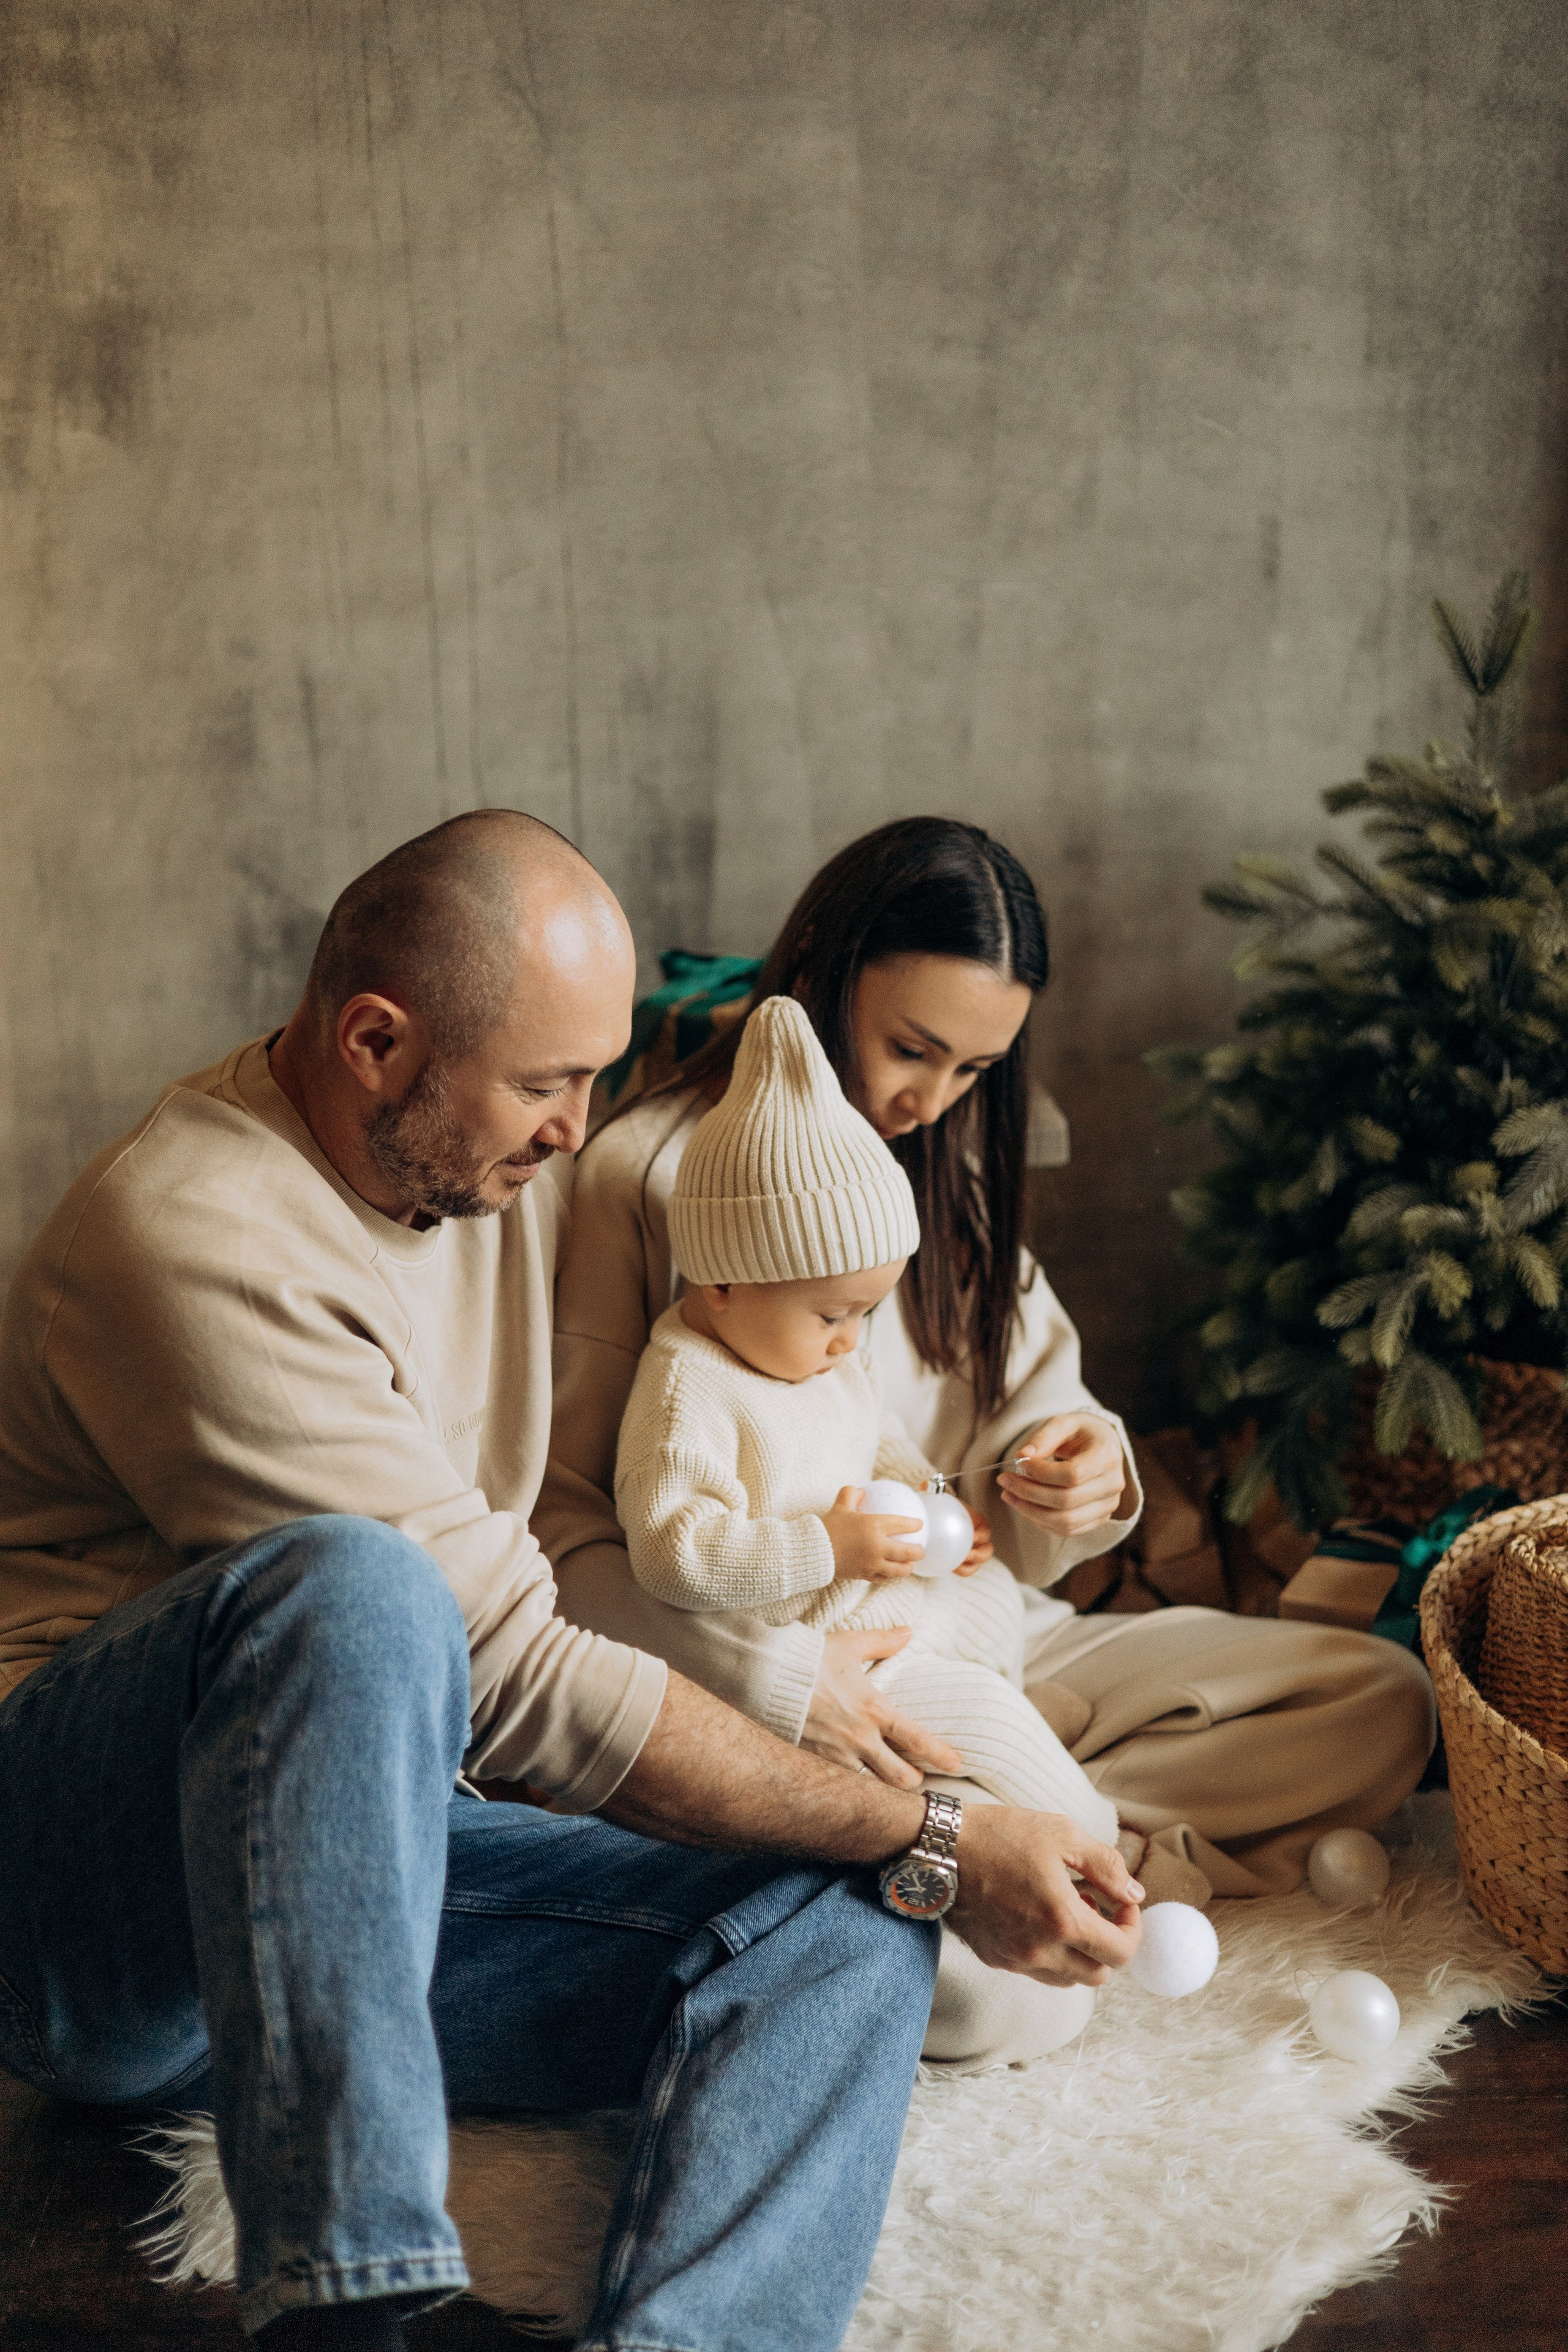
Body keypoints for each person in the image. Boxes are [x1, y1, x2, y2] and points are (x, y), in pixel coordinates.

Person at [0, 811, 1145, 2352]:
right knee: (361, 1591)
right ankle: (353, 2308)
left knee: (858, 1901)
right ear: (374, 1040)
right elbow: (515, 1675)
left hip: (377, 1873)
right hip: (95, 1918)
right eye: (547, 1084)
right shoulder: (194, 1232)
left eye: (596, 1077)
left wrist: (915, 1837)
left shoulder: (482, 1169)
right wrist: (942, 1816)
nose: (573, 1131)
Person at [538, 817, 1438, 2019]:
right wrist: (775, 1674)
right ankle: (1040, 1840)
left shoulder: (940, 1171)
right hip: (805, 1670)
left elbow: (1036, 1412)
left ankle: (1057, 1825)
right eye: (913, 1048)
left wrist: (1081, 1466)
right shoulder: (646, 1183)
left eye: (973, 1070)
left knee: (1378, 1702)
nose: (931, 1099)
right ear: (817, 963)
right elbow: (566, 1531)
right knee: (994, 2005)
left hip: (971, 1627)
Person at [617, 990, 1121, 1854]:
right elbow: (674, 1551)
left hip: (886, 1588)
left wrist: (928, 1495)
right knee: (997, 1729)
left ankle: (1014, 1708)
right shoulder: (688, 1393)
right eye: (834, 1316)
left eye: (866, 1312)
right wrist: (829, 1547)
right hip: (834, 1638)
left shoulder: (820, 1353)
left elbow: (874, 1427)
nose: (854, 1340)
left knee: (992, 1596)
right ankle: (1106, 1841)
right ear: (721, 1284)